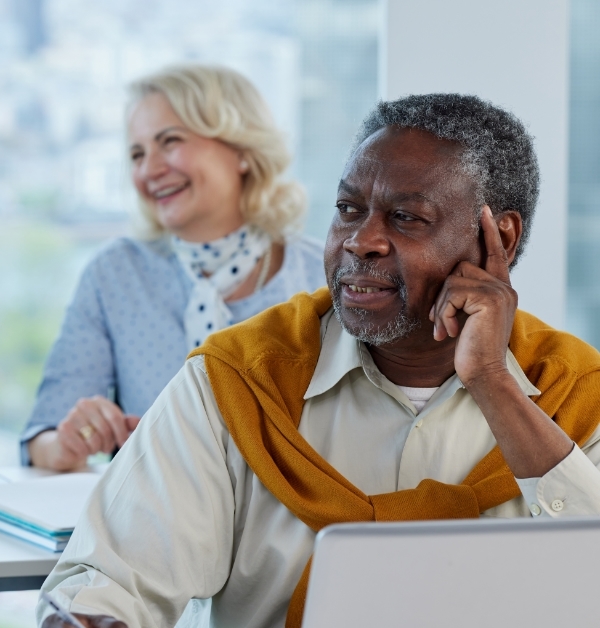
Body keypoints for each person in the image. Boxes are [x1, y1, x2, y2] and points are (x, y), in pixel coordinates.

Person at [39, 93, 600, 628]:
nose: (362, 241)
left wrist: (494, 381)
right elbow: (111, 577)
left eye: (406, 218)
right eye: (348, 210)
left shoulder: (577, 392)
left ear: (496, 237)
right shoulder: (236, 380)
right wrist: (88, 616)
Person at [22, 64, 325, 471]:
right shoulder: (115, 274)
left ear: (241, 151)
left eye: (170, 142)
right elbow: (41, 435)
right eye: (137, 154)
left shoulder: (324, 276)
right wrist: (67, 443)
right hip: (154, 525)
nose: (149, 170)